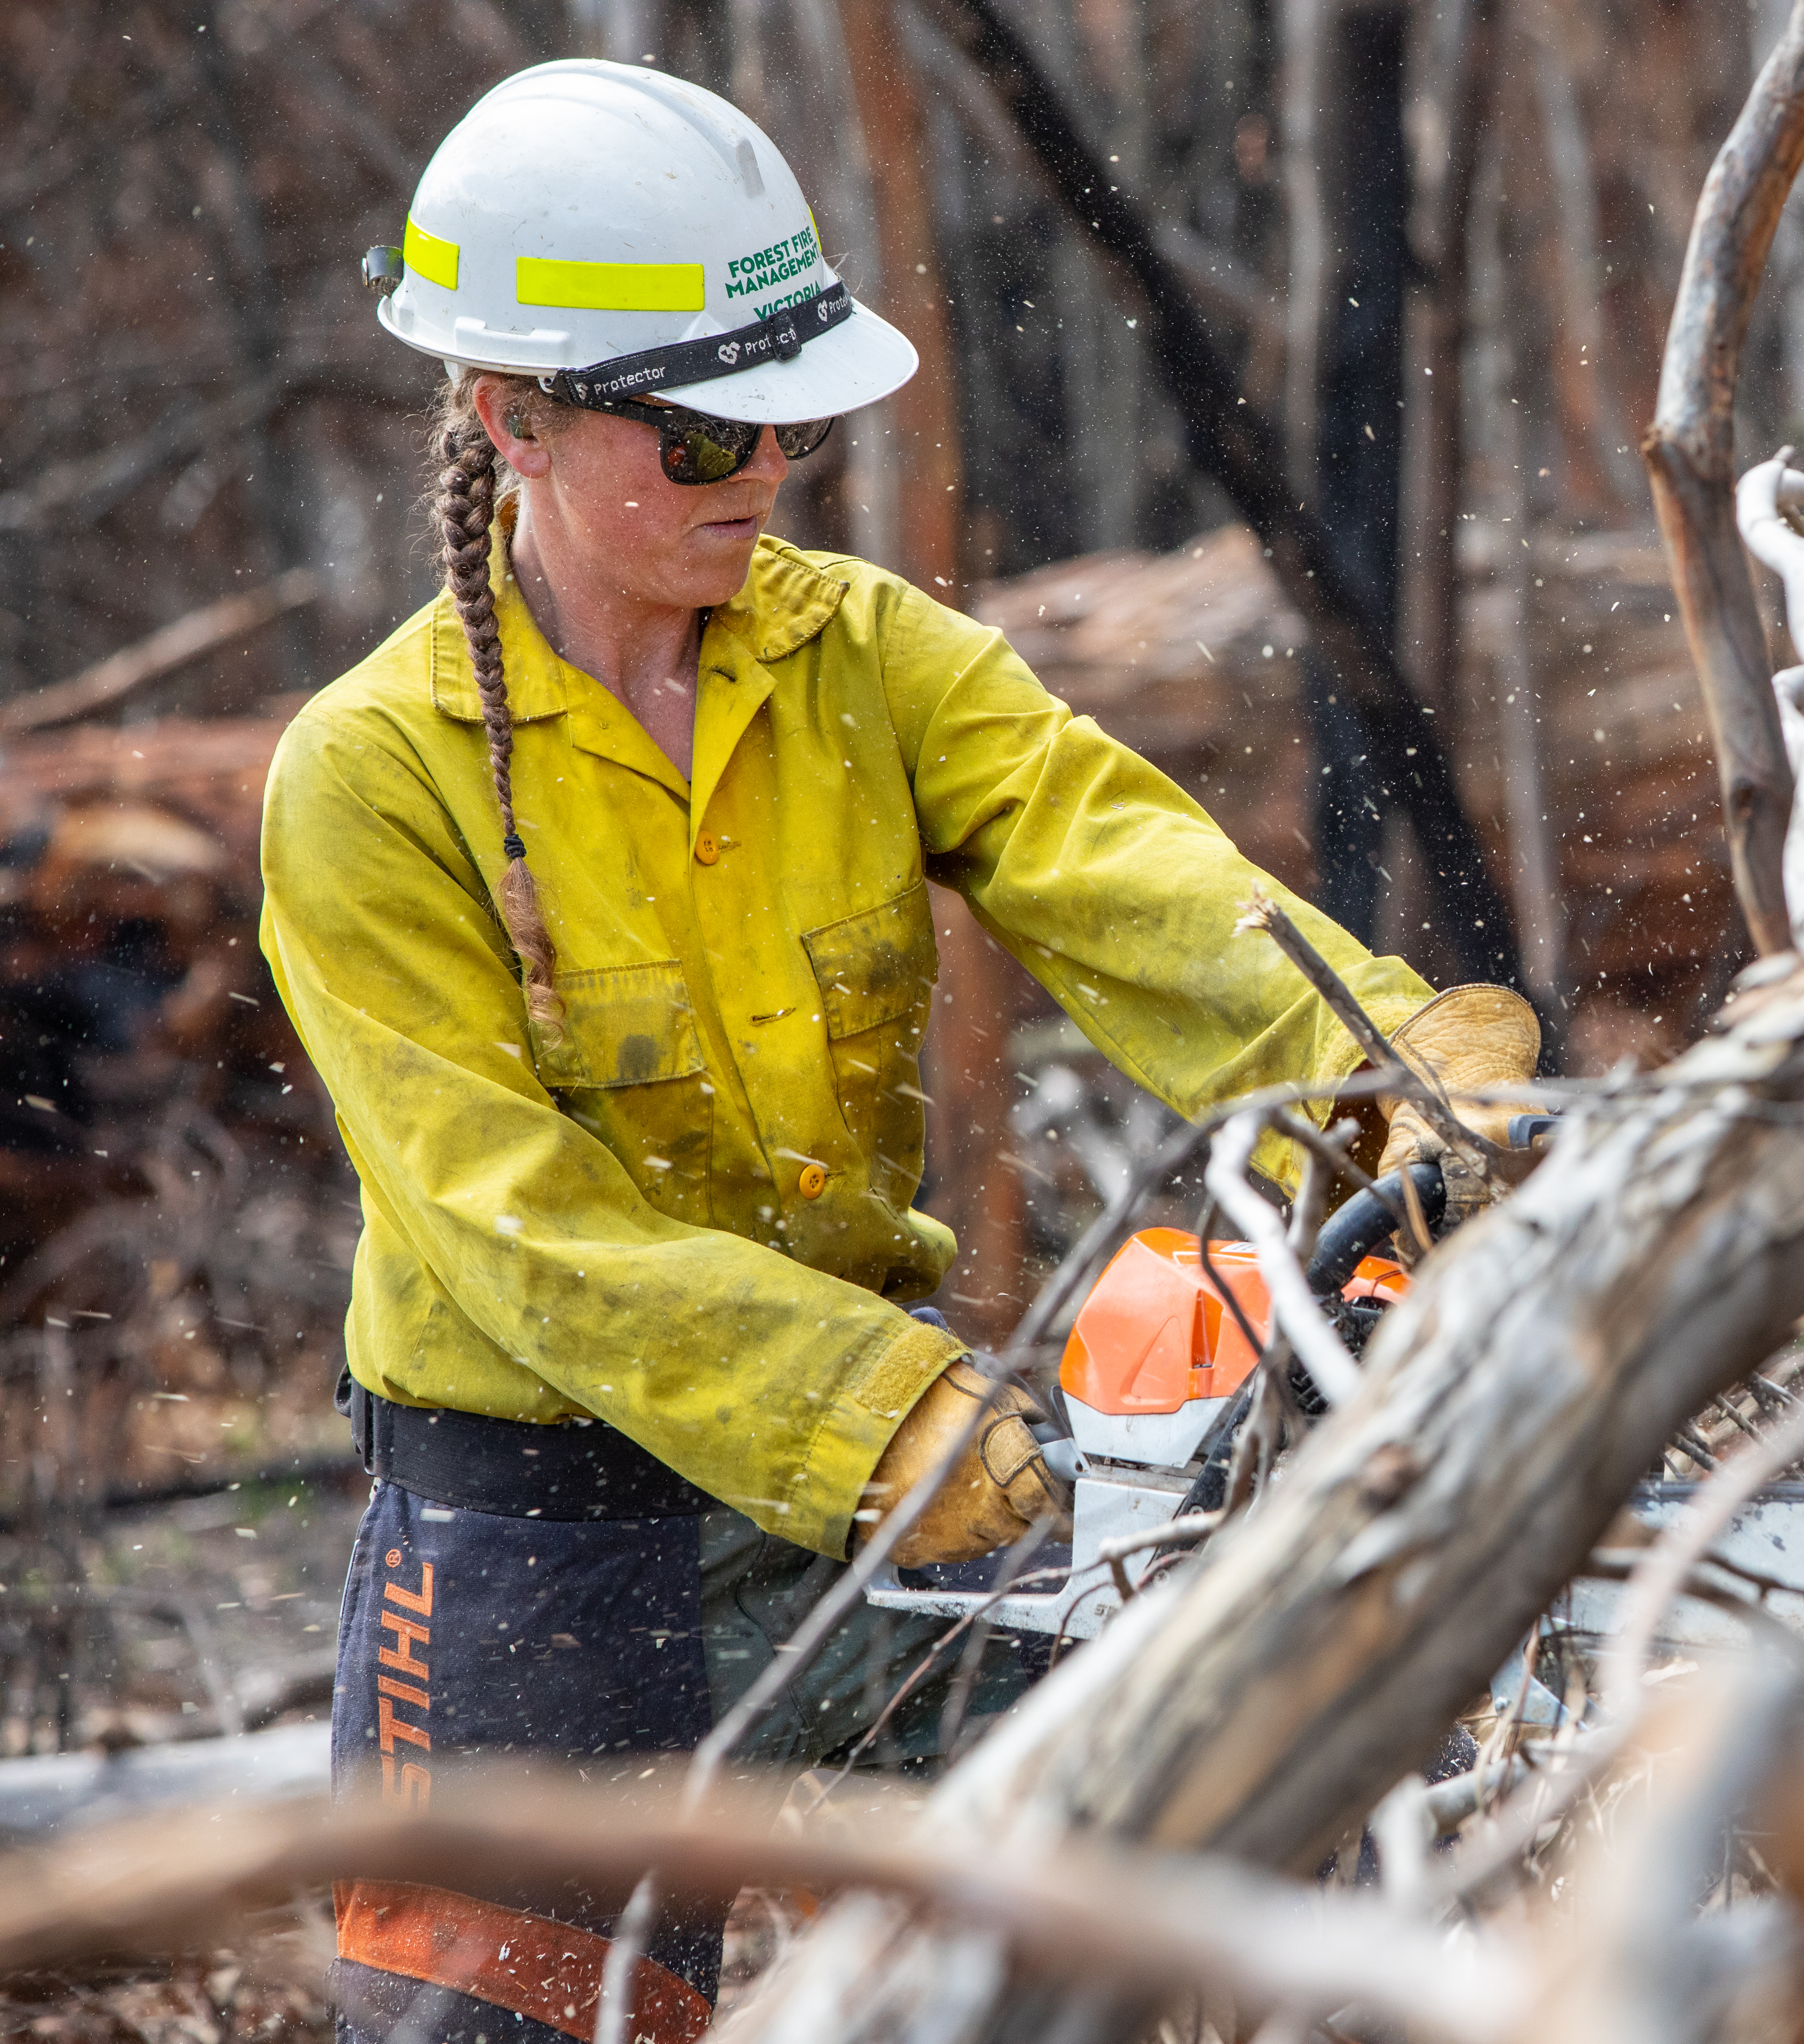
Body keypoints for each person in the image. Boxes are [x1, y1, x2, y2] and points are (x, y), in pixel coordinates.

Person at [258, 59, 1538, 2043]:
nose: (757, 478)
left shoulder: (863, 655)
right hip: (537, 1520)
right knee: (500, 2024)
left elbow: (1114, 860)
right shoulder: (370, 777)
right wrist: (879, 1412)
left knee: (1141, 1863)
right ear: (513, 417)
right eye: (696, 440)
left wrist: (1389, 1061)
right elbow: (513, 1223)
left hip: (863, 1494)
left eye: (787, 425)